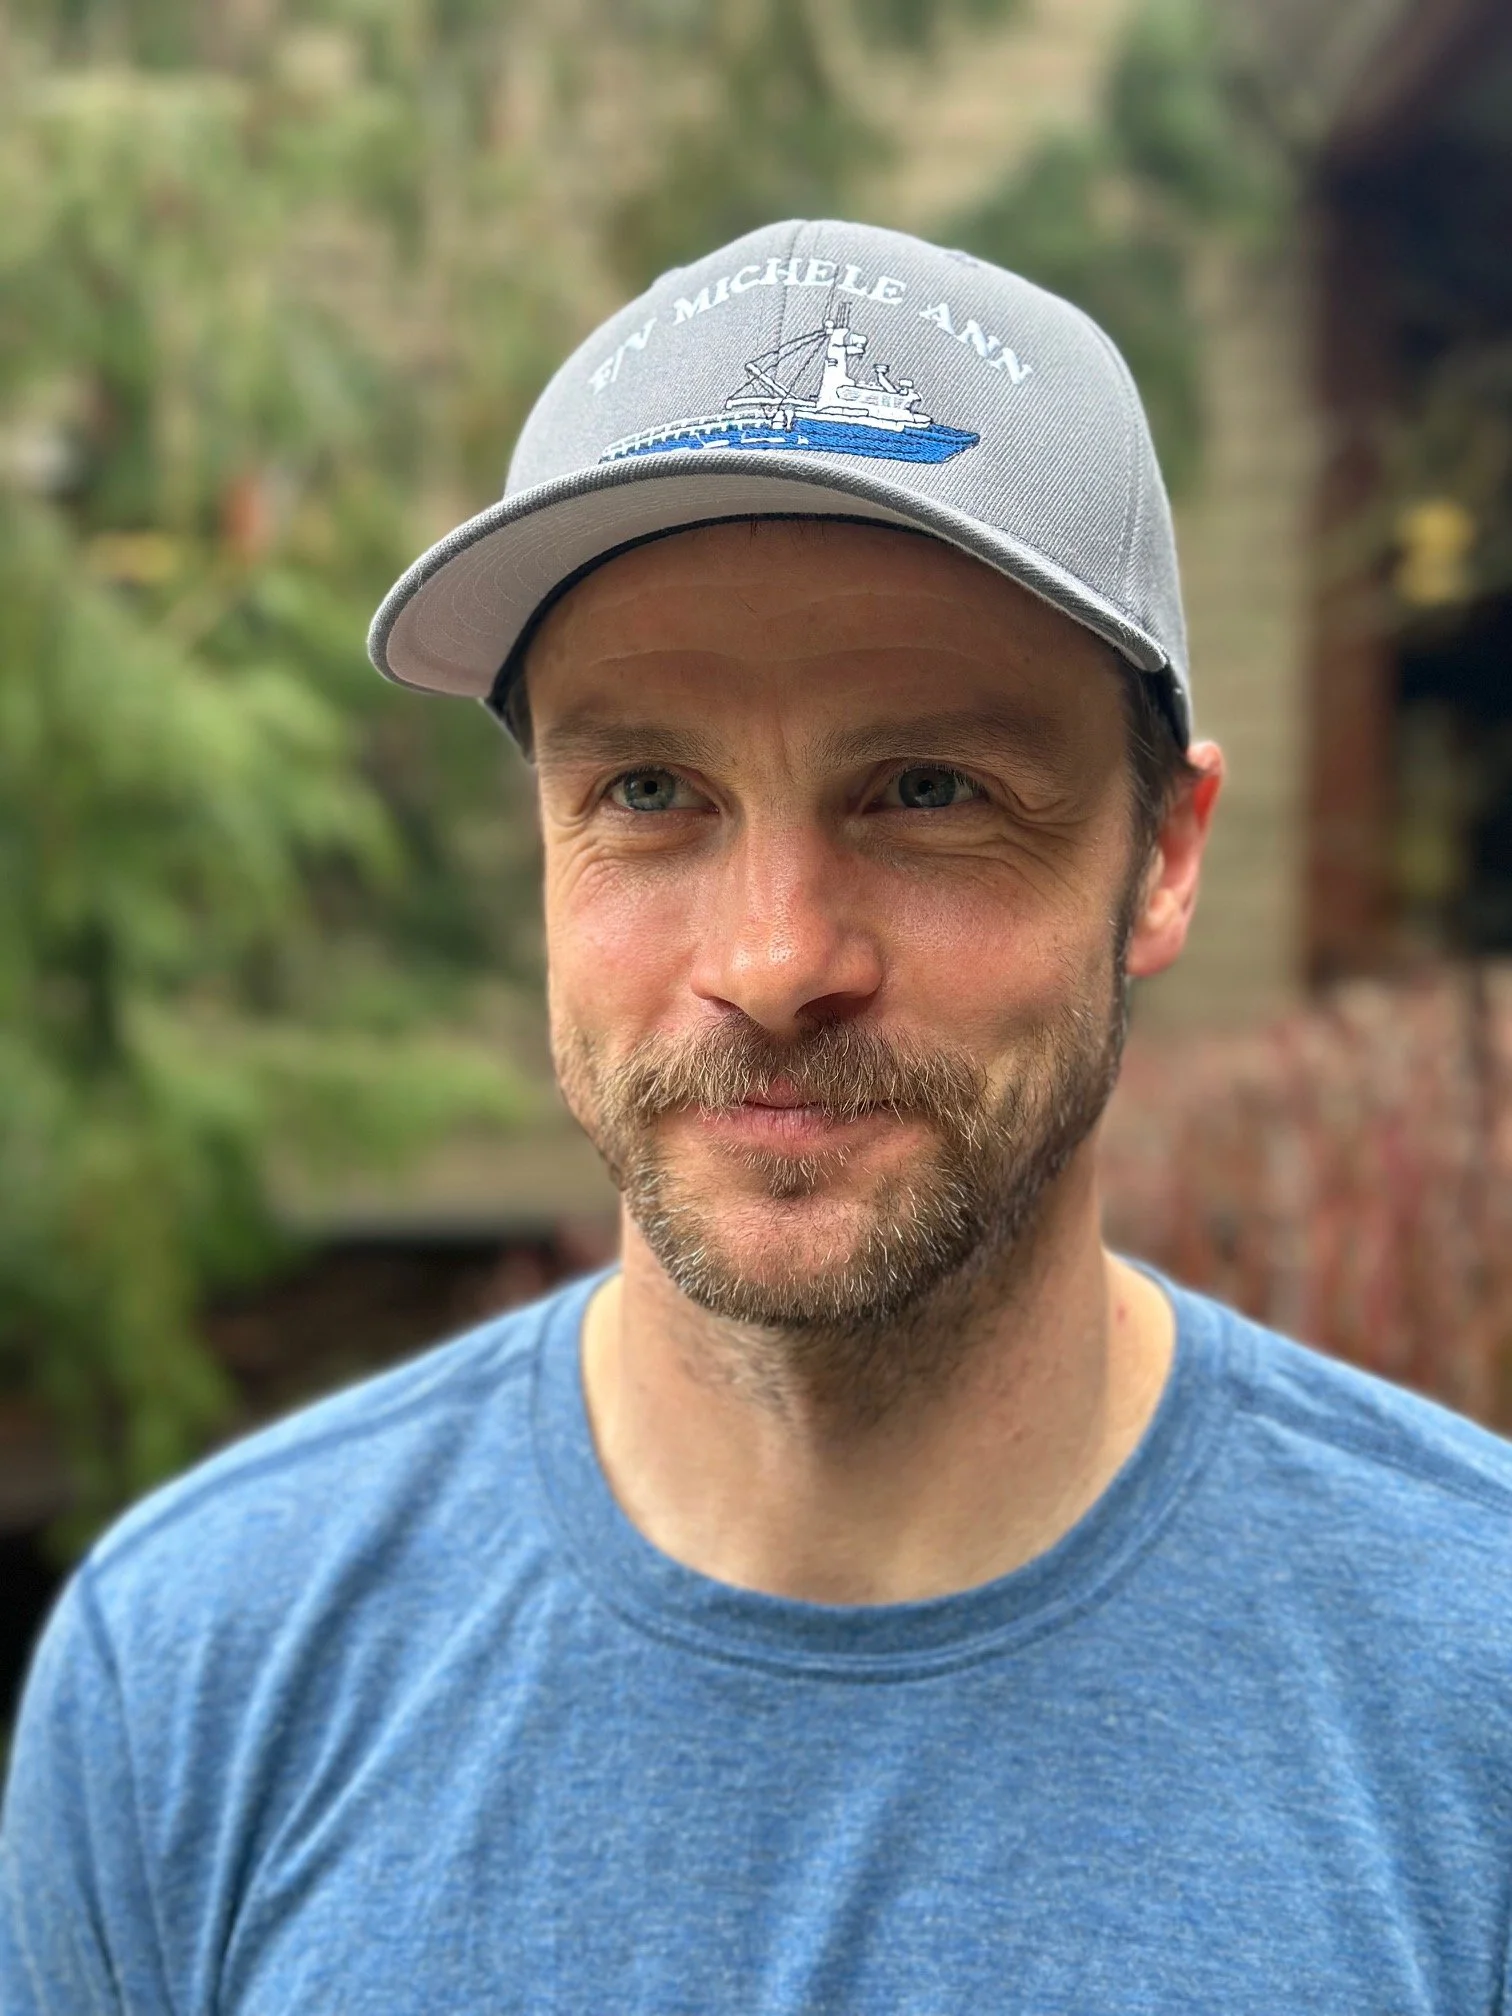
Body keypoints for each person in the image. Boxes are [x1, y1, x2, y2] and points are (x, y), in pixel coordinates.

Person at [4, 220, 1510, 2015]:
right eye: (650, 788)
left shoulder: (1469, 1679)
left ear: (1164, 856)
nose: (776, 960)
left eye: (929, 789)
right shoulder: (192, 1673)